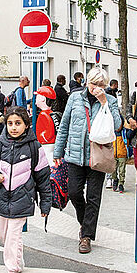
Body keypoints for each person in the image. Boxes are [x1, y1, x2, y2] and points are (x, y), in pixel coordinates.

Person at [0, 106, 52, 273]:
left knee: (12, 236)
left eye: (18, 123)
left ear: (27, 125)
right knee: (5, 237)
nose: (13, 127)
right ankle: (17, 260)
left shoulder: (35, 148)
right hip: (1, 200)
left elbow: (43, 178)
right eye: (10, 123)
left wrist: (46, 204)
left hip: (23, 200)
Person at [54, 66, 122, 254]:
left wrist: (103, 103)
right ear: (87, 82)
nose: (96, 88)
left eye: (101, 85)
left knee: (93, 197)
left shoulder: (111, 101)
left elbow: (118, 126)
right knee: (74, 193)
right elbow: (64, 126)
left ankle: (86, 237)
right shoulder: (75, 98)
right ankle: (86, 225)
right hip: (75, 156)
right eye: (93, 84)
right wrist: (57, 152)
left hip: (98, 157)